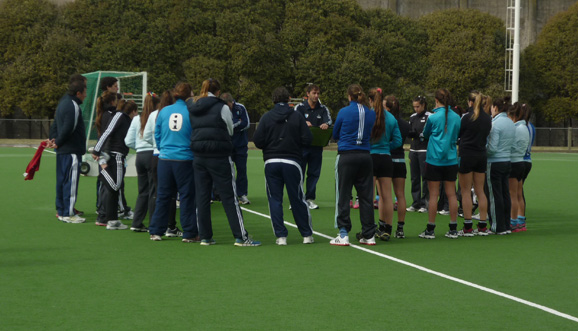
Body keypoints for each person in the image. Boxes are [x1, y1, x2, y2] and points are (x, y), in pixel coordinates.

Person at [189, 78, 260, 246]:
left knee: (202, 197)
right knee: (229, 197)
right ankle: (241, 237)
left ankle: (205, 236)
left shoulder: (192, 106)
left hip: (199, 155)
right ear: (219, 92)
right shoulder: (221, 107)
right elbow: (229, 129)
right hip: (219, 155)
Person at [253, 87, 314, 245]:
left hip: (271, 162)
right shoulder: (297, 116)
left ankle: (281, 237)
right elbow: (308, 139)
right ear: (289, 99)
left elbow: (258, 141)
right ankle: (306, 235)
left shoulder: (266, 117)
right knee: (297, 198)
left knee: (275, 199)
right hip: (292, 162)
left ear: (273, 100)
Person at [148, 83, 199, 242]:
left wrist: (164, 147)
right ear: (189, 94)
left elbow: (157, 134)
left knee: (163, 195)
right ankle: (189, 233)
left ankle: (156, 231)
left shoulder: (164, 111)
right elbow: (194, 135)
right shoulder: (191, 111)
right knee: (186, 196)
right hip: (184, 159)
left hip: (165, 159)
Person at [331, 84, 377, 246]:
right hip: (365, 156)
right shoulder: (371, 113)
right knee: (365, 197)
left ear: (349, 96)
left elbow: (335, 133)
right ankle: (369, 234)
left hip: (347, 156)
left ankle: (343, 233)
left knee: (343, 195)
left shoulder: (344, 112)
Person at [419, 89, 461, 239]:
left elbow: (425, 133)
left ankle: (430, 229)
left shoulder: (433, 117)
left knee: (433, 195)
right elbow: (457, 134)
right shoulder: (457, 117)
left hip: (434, 160)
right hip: (450, 160)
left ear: (437, 100)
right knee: (451, 194)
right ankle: (453, 228)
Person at [92, 97, 138, 230]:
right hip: (115, 155)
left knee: (113, 189)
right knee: (115, 185)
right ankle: (101, 168)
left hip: (119, 155)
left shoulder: (126, 120)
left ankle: (112, 220)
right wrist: (97, 149)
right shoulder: (120, 115)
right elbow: (107, 131)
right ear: (133, 111)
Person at [47, 75, 88, 224]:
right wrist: (57, 141)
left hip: (64, 150)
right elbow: (68, 127)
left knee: (62, 180)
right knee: (70, 181)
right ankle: (68, 213)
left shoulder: (62, 102)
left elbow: (56, 124)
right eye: (84, 91)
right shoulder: (73, 105)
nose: (86, 95)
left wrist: (53, 139)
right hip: (71, 151)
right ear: (78, 93)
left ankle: (61, 210)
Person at [142, 90, 180, 237]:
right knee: (171, 194)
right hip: (171, 156)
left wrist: (157, 145)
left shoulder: (153, 115)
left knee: (158, 193)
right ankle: (170, 227)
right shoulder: (173, 113)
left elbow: (145, 135)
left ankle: (156, 228)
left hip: (157, 156)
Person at [457, 92, 492, 237]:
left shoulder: (466, 116)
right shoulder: (487, 118)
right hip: (481, 155)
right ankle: (483, 225)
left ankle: (467, 226)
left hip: (467, 154)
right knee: (480, 191)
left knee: (465, 191)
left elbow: (459, 133)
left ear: (470, 102)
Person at [369, 89, 402, 242]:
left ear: (371, 100)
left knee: (368, 195)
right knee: (387, 195)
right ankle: (387, 228)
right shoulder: (391, 118)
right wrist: (386, 146)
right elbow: (398, 141)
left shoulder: (369, 115)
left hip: (371, 156)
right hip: (386, 158)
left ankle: (369, 228)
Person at [124, 92, 159, 232]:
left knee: (143, 191)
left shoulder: (136, 118)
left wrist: (138, 147)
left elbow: (128, 141)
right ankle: (153, 224)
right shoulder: (156, 116)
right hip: (152, 154)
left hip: (140, 156)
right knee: (153, 191)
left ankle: (136, 222)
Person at [294, 84, 332, 210]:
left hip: (316, 147)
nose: (316, 96)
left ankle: (309, 199)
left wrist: (326, 124)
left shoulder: (323, 108)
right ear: (308, 94)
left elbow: (329, 120)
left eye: (318, 93)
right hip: (301, 147)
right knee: (298, 173)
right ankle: (297, 199)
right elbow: (292, 120)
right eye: (314, 93)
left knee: (314, 173)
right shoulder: (299, 108)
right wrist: (303, 123)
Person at [485, 97, 515, 235]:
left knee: (494, 195)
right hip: (507, 161)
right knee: (505, 193)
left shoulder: (494, 124)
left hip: (495, 162)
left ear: (495, 108)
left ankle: (497, 226)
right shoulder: (510, 122)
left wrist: (482, 151)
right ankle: (507, 225)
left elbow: (492, 148)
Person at [220, 92, 251, 205]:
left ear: (231, 102)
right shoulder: (220, 108)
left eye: (228, 105)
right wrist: (238, 123)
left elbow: (246, 124)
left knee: (241, 170)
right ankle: (227, 194)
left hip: (240, 146)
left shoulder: (240, 108)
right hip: (226, 145)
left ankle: (242, 194)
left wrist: (232, 126)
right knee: (226, 171)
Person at [389, 95, 410, 239]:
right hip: (400, 161)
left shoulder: (385, 122)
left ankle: (385, 226)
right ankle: (400, 228)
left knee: (385, 195)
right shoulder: (405, 124)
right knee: (400, 194)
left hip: (386, 160)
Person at [507, 102, 530, 233]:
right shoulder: (525, 127)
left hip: (514, 162)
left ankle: (513, 221)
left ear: (513, 116)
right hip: (521, 161)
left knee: (512, 195)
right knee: (519, 194)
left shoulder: (516, 128)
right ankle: (521, 221)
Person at [407, 96, 431, 213]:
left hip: (425, 150)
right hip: (413, 150)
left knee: (425, 177)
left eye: (418, 106)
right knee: (414, 177)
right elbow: (409, 130)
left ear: (423, 105)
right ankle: (416, 202)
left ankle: (425, 203)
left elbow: (430, 133)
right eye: (414, 107)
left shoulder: (429, 116)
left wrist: (421, 135)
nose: (416, 109)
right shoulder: (412, 117)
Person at [519, 103, 535, 231]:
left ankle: (516, 219)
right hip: (528, 160)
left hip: (520, 159)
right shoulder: (531, 127)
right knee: (519, 191)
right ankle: (521, 217)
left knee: (515, 192)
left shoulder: (520, 126)